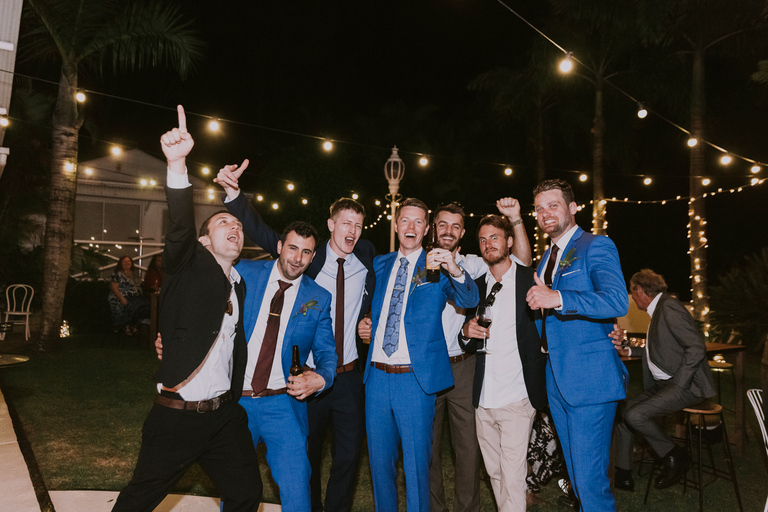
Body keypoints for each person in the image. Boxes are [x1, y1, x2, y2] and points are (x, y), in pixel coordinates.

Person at [112, 105, 262, 512]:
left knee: (246, 494)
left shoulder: (239, 283)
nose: (234, 227)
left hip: (224, 416)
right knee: (139, 500)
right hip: (177, 416)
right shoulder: (185, 264)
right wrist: (177, 164)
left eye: (237, 225)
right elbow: (179, 225)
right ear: (203, 242)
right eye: (222, 224)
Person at [215, 163, 374, 512]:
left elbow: (331, 343)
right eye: (345, 223)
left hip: (310, 388)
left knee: (322, 468)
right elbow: (210, 306)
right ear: (331, 225)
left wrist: (368, 322)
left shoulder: (361, 259)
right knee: (243, 485)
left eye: (358, 225)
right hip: (250, 395)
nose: (298, 258)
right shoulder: (252, 274)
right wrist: (234, 195)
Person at [357, 198, 479, 512]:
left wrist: (454, 267)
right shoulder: (381, 263)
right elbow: (378, 307)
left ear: (426, 229)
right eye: (405, 220)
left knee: (416, 467)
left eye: (418, 222)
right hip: (376, 378)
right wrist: (366, 322)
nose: (411, 227)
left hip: (414, 380)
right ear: (396, 225)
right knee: (379, 465)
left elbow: (469, 298)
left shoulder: (436, 265)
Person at [525, 179, 628, 512]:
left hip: (590, 379)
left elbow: (616, 300)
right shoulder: (547, 257)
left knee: (590, 483)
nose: (545, 213)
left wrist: (558, 298)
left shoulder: (596, 245)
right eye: (539, 208)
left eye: (553, 205)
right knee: (577, 479)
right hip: (557, 378)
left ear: (572, 207)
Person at [429, 199, 531, 512]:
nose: (449, 231)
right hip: (432, 369)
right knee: (429, 449)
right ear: (433, 228)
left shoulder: (475, 266)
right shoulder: (418, 263)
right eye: (443, 224)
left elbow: (521, 263)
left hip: (468, 369)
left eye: (456, 226)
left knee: (472, 452)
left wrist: (515, 219)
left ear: (462, 233)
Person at [234, 218, 338, 512]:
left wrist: (322, 377)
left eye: (306, 252)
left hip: (282, 404)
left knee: (297, 487)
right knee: (237, 489)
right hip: (236, 402)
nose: (297, 258)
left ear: (313, 257)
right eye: (292, 248)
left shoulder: (318, 297)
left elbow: (327, 352)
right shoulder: (245, 272)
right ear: (279, 246)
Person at [457, 214, 547, 512]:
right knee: (494, 472)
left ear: (509, 241)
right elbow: (467, 338)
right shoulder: (475, 287)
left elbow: (553, 327)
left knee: (512, 475)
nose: (488, 244)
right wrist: (466, 332)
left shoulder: (530, 280)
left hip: (518, 397)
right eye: (483, 239)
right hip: (483, 398)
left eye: (494, 237)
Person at [612, 269, 715, 491]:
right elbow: (659, 350)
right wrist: (628, 350)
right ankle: (623, 473)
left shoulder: (668, 307)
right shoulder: (659, 309)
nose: (632, 298)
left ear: (641, 290)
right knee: (623, 411)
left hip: (686, 386)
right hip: (663, 385)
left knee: (635, 415)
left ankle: (674, 454)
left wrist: (680, 383)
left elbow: (696, 347)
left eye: (632, 292)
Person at [108, 255, 150, 335]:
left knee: (145, 306)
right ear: (120, 263)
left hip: (135, 296)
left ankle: (134, 324)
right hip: (121, 296)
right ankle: (127, 326)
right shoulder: (117, 274)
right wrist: (121, 298)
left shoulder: (134, 273)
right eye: (124, 261)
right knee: (130, 305)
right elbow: (114, 287)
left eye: (128, 261)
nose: (126, 263)